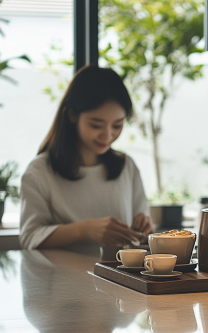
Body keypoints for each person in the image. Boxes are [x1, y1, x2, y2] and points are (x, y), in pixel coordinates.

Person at [19, 65, 153, 252]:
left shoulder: (126, 166)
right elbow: (30, 237)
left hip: (120, 278)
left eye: (117, 125)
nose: (107, 136)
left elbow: (142, 222)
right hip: (64, 279)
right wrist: (85, 229)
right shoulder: (40, 171)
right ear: (72, 114)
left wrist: (144, 224)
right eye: (96, 125)